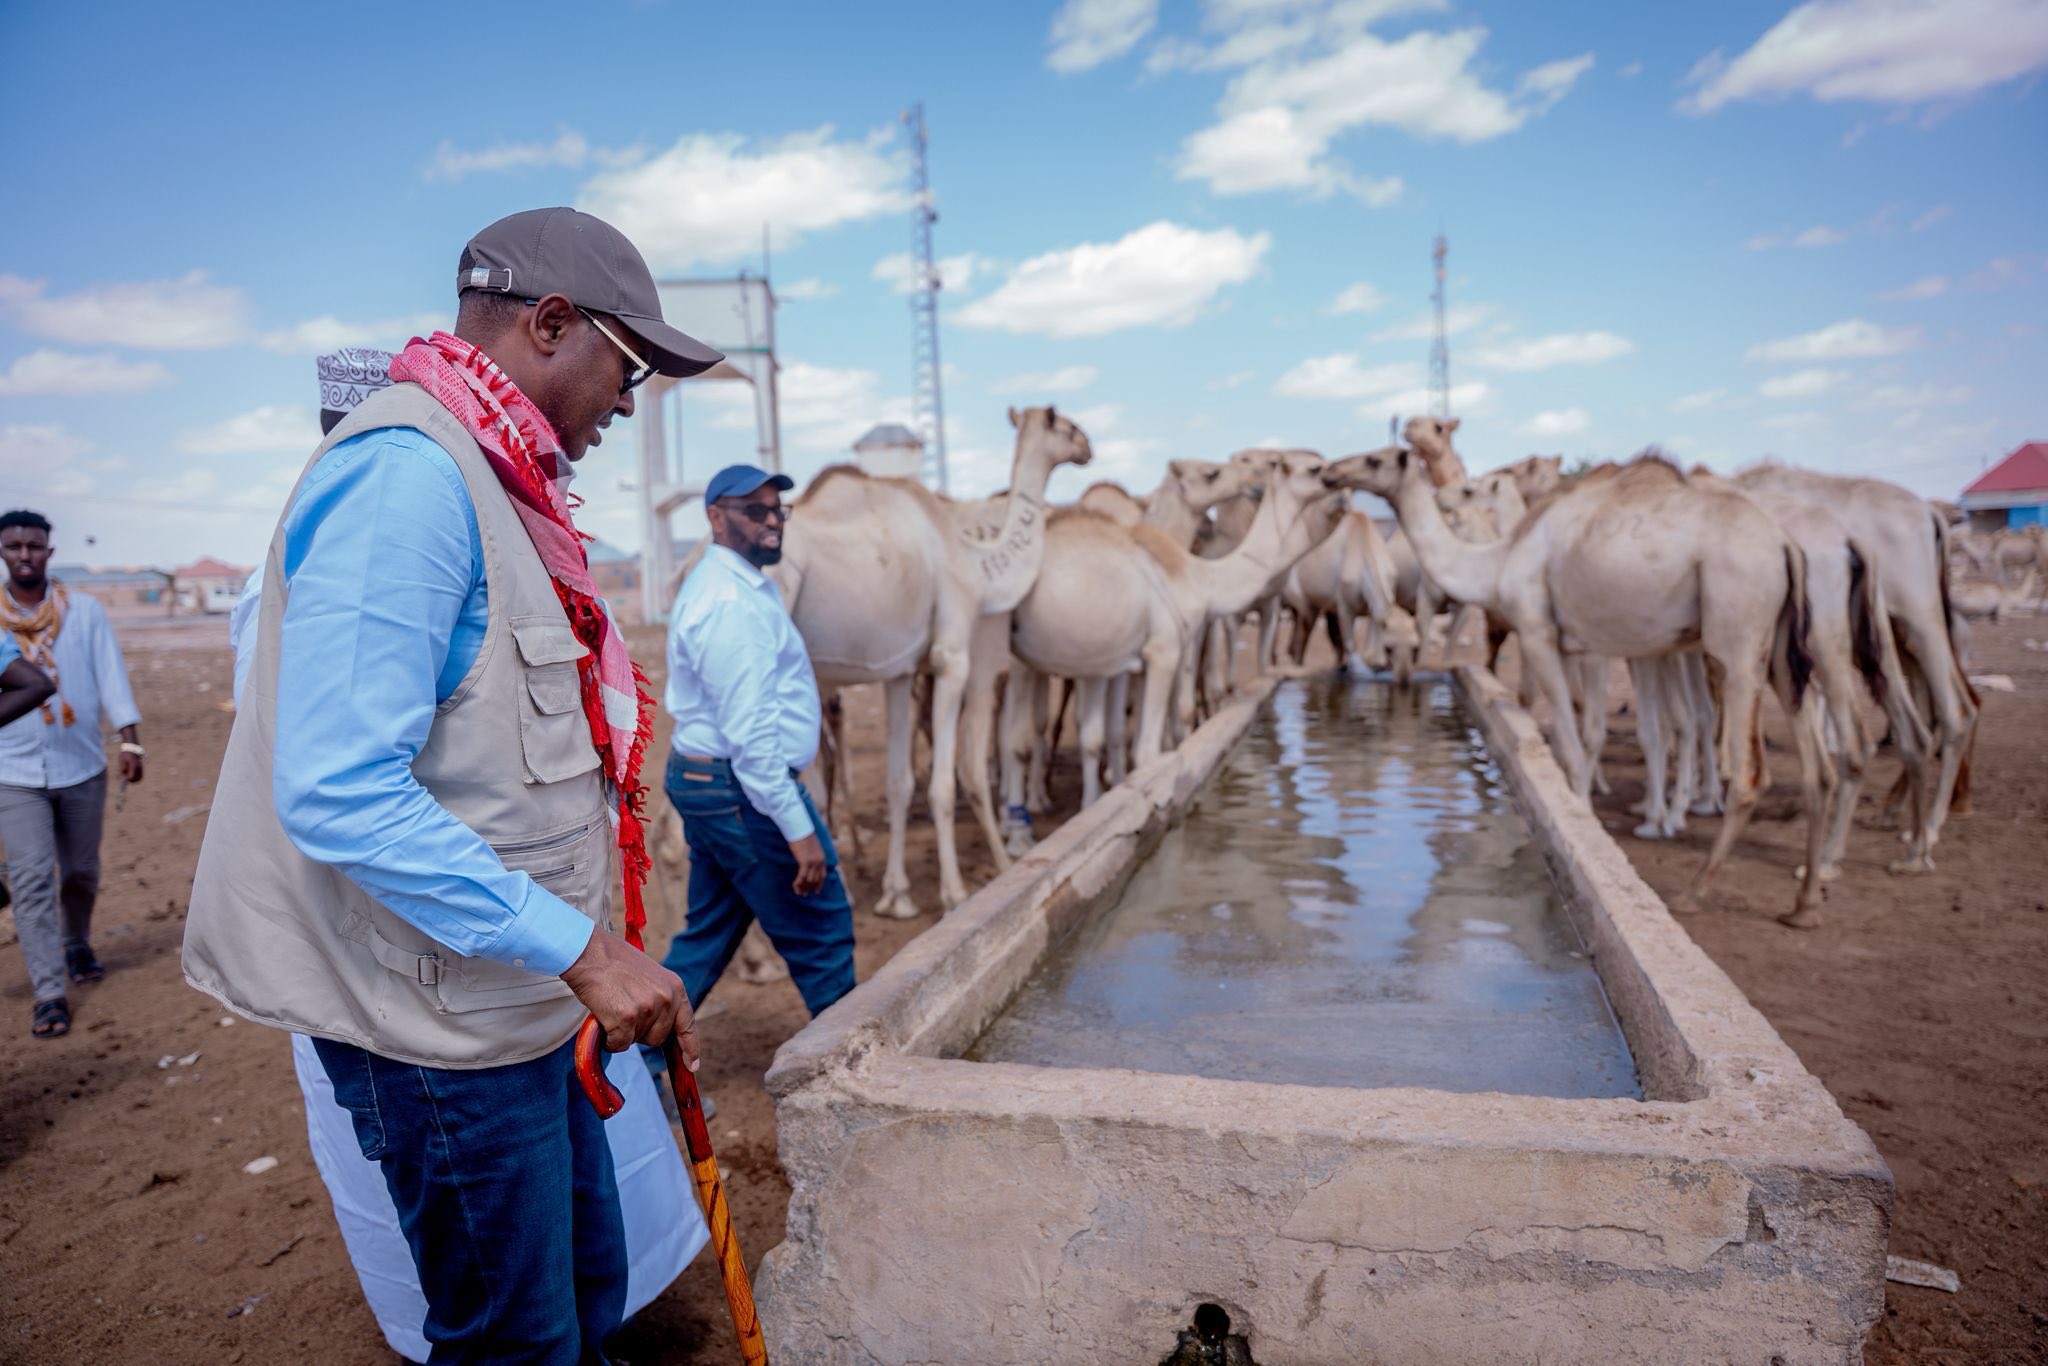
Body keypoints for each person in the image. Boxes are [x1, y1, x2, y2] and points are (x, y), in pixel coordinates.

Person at [184, 206, 724, 1363]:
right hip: (435, 1030)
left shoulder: (494, 482)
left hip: (511, 997)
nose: (627, 405)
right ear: (548, 323)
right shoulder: (410, 482)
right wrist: (583, 951)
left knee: (584, 1291)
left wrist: (573, 952)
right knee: (513, 1337)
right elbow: (337, 790)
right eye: (625, 371)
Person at [658, 464, 856, 1022]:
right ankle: (848, 1076)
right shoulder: (731, 603)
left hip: (715, 780)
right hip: (739, 785)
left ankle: (644, 1075)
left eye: (778, 510)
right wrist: (800, 833)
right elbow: (751, 740)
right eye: (755, 511)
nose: (772, 522)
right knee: (822, 928)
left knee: (710, 931)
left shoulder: (739, 584)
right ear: (716, 517)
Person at [0, 509, 143, 1039]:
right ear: (2, 551)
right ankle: (49, 990)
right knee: (32, 879)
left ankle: (76, 940)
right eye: (14, 546)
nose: (24, 555)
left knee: (80, 871)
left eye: (34, 546)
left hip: (81, 762)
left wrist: (129, 735)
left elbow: (110, 673)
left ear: (49, 552)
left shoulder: (83, 611)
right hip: (12, 769)